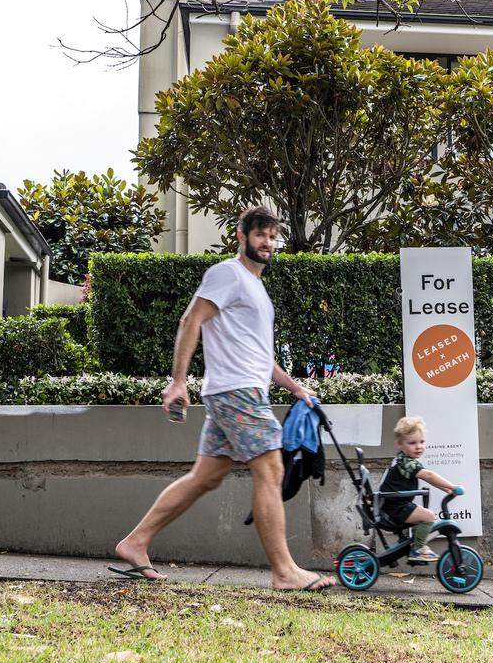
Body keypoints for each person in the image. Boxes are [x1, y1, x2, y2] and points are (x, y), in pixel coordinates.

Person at [112, 205, 335, 591]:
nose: (267, 241)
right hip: (237, 392)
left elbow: (260, 358)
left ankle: (135, 543)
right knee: (271, 468)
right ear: (241, 235)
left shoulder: (257, 288)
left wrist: (296, 388)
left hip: (236, 389)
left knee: (206, 476)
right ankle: (284, 571)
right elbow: (190, 320)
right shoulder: (227, 274)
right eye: (260, 234)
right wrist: (177, 381)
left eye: (271, 235)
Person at [379, 416, 463, 562]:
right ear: (399, 444)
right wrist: (452, 486)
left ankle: (417, 544)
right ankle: (417, 549)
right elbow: (428, 476)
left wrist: (446, 489)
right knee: (429, 516)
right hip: (395, 508)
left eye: (422, 442)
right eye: (412, 443)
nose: (418, 446)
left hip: (395, 505)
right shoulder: (408, 463)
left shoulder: (403, 459)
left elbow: (427, 478)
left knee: (426, 515)